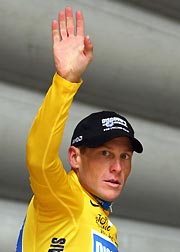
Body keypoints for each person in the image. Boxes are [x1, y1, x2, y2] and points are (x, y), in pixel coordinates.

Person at [16, 6, 143, 252]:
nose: (117, 168)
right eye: (105, 153)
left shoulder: (104, 223)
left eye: (124, 156)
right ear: (75, 157)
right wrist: (65, 81)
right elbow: (39, 159)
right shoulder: (61, 198)